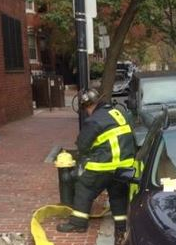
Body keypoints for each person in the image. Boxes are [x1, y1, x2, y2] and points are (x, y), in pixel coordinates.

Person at [57, 88, 136, 233]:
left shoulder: (94, 120)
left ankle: (78, 223)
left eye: (85, 109)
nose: (86, 112)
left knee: (84, 188)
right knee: (118, 195)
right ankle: (121, 226)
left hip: (103, 165)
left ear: (88, 105)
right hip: (124, 167)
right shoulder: (118, 113)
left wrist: (84, 159)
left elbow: (82, 144)